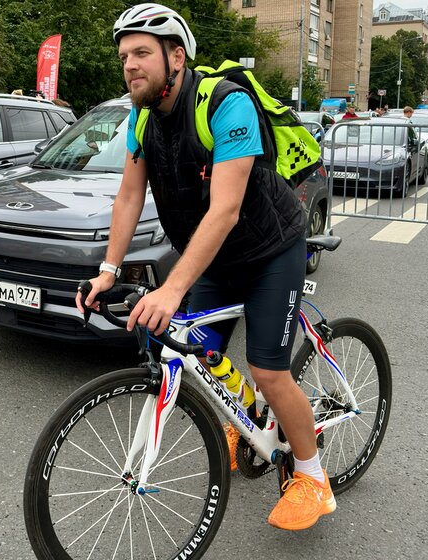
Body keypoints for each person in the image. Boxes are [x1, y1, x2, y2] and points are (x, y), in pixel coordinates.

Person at [76, 3, 335, 531]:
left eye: (142, 53)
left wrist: (171, 289)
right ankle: (250, 419)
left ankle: (312, 475)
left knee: (267, 368)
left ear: (177, 57)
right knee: (199, 352)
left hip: (270, 249)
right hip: (215, 254)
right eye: (125, 55)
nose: (130, 64)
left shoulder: (226, 104)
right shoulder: (142, 119)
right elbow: (128, 198)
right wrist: (107, 269)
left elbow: (226, 209)